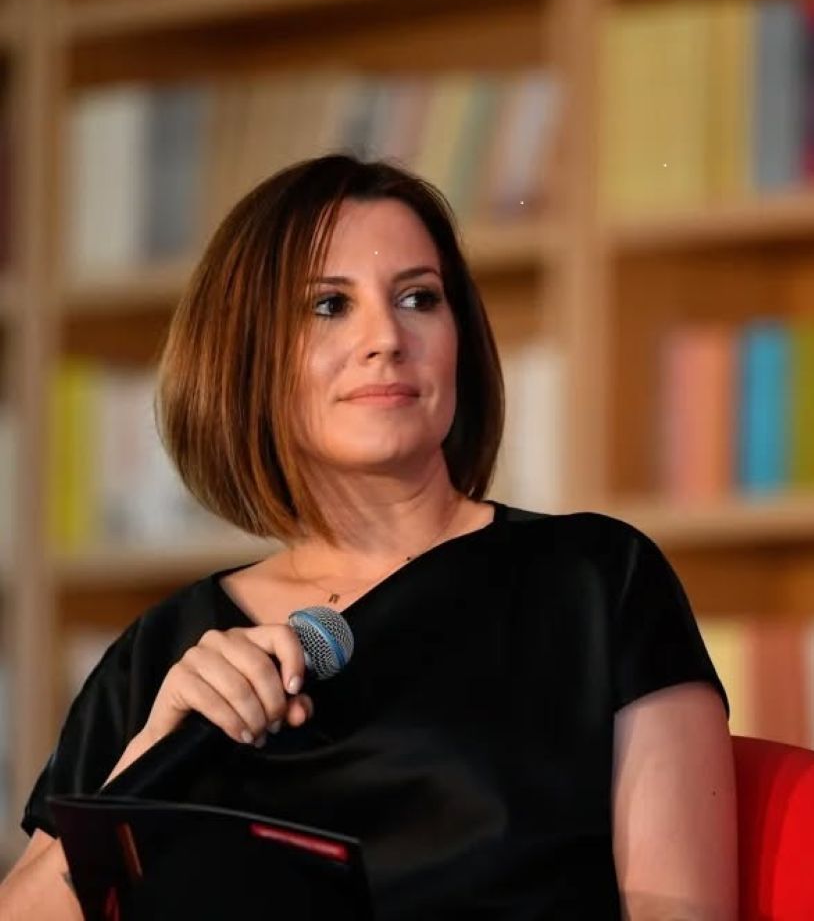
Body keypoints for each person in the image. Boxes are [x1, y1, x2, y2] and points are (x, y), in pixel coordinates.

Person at [0, 153, 737, 920]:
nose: (386, 337)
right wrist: (147, 760)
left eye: (419, 298)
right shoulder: (161, 658)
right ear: (246, 354)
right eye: (329, 306)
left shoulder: (596, 580)